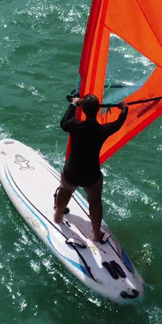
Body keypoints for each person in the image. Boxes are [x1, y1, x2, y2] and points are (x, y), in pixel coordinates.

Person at [53, 94, 128, 242]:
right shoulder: (102, 130)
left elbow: (63, 123)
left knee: (65, 189)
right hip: (91, 174)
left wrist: (74, 104)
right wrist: (124, 108)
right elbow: (119, 122)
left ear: (84, 110)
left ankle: (57, 217)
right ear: (98, 110)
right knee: (94, 201)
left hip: (72, 171)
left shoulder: (75, 126)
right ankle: (96, 235)